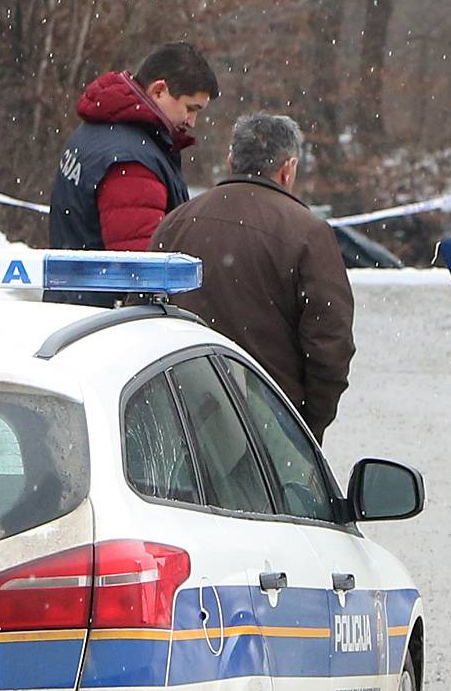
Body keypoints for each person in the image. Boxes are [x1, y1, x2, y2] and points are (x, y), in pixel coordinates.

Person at [150, 111, 355, 436]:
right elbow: (330, 345)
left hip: (182, 417)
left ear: (231, 159)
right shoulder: (308, 233)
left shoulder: (175, 223)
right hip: (267, 427)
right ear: (288, 169)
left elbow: (144, 314)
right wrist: (305, 426)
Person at [48, 41, 220, 253]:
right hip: (100, 286)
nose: (192, 121)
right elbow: (139, 271)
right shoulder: (133, 163)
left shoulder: (98, 127)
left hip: (75, 282)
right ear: (159, 91)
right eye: (190, 108)